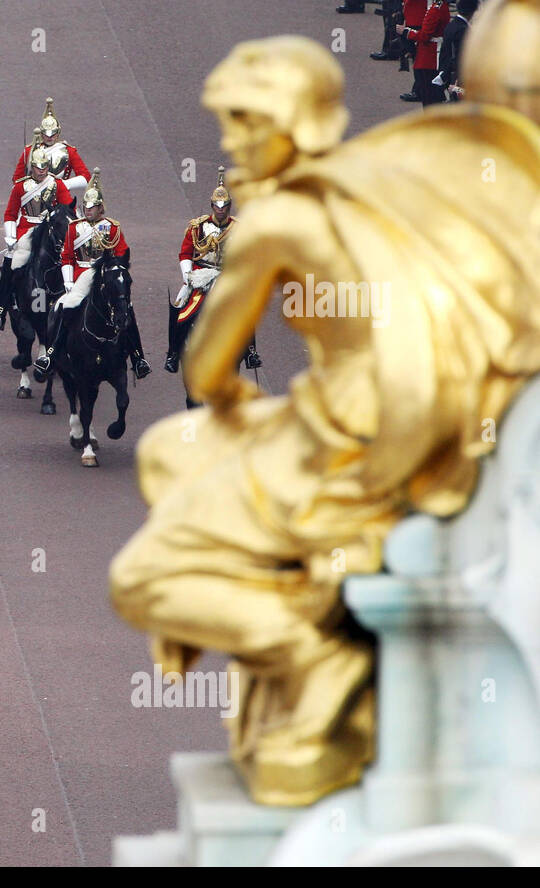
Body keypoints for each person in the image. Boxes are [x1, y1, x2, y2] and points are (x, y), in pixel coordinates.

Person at [108, 33, 540, 806]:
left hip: (345, 437)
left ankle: (315, 654)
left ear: (296, 124)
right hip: (407, 419)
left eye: (247, 122)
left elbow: (208, 369)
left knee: (142, 576)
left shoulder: (276, 219)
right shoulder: (389, 182)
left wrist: (235, 402)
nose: (233, 140)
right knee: (170, 448)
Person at [35, 168, 150, 379]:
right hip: (81, 275)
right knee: (65, 306)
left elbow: (121, 253)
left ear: (100, 208)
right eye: (85, 207)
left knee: (127, 310)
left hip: (104, 275)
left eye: (92, 207)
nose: (87, 211)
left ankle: (138, 357)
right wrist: (69, 281)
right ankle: (51, 353)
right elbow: (67, 255)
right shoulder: (74, 228)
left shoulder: (112, 228)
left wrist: (113, 271)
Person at [167, 166, 260, 374]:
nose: (220, 209)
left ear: (229, 206)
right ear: (212, 205)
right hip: (201, 275)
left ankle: (251, 352)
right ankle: (173, 353)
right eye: (217, 206)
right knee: (181, 309)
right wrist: (188, 276)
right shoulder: (197, 227)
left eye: (224, 205)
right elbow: (185, 254)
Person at [0, 146, 73, 332]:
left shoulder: (57, 185)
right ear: (32, 167)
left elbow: (67, 209)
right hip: (27, 232)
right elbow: (10, 214)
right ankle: (0, 312)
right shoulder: (20, 187)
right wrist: (10, 236)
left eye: (45, 167)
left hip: (49, 231)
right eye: (38, 167)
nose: (42, 171)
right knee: (10, 263)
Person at [11, 98, 91, 192]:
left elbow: (86, 177)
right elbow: (17, 179)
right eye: (46, 134)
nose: (50, 137)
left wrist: (63, 184)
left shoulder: (69, 151)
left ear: (58, 133)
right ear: (41, 133)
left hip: (60, 194)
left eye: (53, 134)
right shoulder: (30, 150)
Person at [401, 0, 450, 106]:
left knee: (429, 97)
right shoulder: (439, 6)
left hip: (429, 58)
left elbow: (425, 36)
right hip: (430, 54)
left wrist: (406, 32)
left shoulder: (436, 9)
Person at [435, 0, 478, 101]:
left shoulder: (451, 25)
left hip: (448, 72)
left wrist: (443, 73)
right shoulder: (463, 29)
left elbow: (445, 52)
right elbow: (460, 56)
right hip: (458, 76)